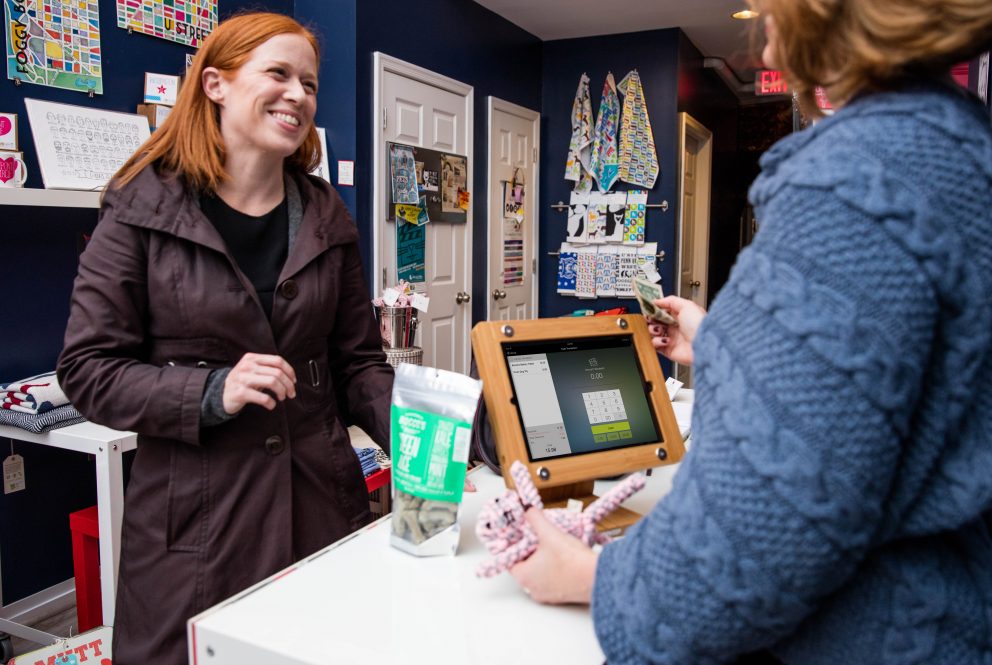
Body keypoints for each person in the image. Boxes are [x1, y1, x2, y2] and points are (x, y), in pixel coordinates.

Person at [511, 0, 992, 663]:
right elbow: (875, 389)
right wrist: (717, 339)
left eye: (774, 5)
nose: (762, 27)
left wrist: (586, 573)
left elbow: (755, 541)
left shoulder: (854, 182)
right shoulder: (959, 145)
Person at [57, 13, 393, 664]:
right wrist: (211, 389)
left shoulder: (327, 215)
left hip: (320, 507)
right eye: (278, 73)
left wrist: (439, 432)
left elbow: (360, 367)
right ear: (215, 83)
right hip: (197, 526)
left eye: (309, 83)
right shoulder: (140, 206)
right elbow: (88, 368)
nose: (298, 93)